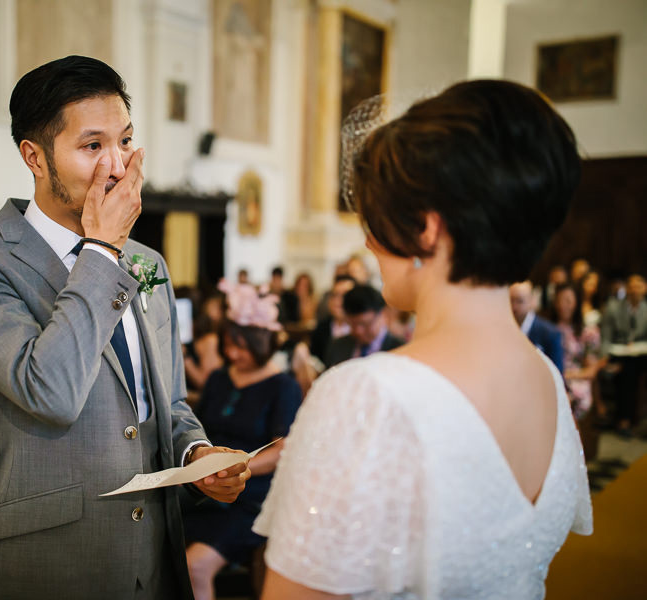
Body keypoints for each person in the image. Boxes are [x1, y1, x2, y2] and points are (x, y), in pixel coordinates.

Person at [254, 80, 591, 599]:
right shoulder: (546, 377)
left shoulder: (370, 394)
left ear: (427, 229)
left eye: (377, 216)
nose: (368, 239)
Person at [0, 55, 248, 599]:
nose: (118, 166)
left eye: (125, 141)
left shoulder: (148, 262)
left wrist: (196, 455)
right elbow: (48, 391)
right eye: (92, 146)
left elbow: (165, 403)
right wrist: (100, 251)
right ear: (34, 156)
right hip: (51, 561)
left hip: (156, 553)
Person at [183, 282, 302, 600]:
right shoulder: (220, 378)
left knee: (195, 566)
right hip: (203, 485)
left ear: (261, 344)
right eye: (229, 345)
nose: (234, 353)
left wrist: (238, 466)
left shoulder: (283, 386)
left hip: (250, 495)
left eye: (242, 347)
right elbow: (198, 428)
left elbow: (282, 447)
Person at [549, 283, 605, 419]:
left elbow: (590, 371)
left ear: (576, 303)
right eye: (559, 300)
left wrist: (566, 375)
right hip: (551, 377)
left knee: (571, 396)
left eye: (568, 300)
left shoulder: (587, 332)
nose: (563, 305)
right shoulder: (548, 329)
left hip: (574, 378)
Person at [600, 273, 647, 434]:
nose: (635, 291)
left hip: (640, 354)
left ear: (645, 289)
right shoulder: (613, 307)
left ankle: (629, 419)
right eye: (632, 287)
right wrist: (604, 359)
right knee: (627, 370)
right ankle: (625, 420)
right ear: (626, 289)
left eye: (639, 287)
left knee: (631, 367)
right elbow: (605, 337)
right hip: (618, 352)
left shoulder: (645, 309)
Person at [325, 284, 405, 368]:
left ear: (383, 314)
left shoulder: (400, 350)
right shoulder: (338, 346)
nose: (358, 331)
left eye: (365, 324)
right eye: (352, 324)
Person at [510, 280, 565, 374]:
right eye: (511, 300)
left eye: (520, 301)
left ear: (531, 300)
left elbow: (557, 374)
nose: (514, 307)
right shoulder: (504, 330)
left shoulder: (550, 333)